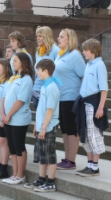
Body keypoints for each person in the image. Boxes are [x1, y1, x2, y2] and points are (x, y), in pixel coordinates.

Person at [24, 59, 61, 192]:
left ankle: (50, 182)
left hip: (49, 126)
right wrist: (36, 125)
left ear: (46, 71)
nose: (37, 73)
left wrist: (44, 127)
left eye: (38, 70)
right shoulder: (45, 86)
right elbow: (41, 109)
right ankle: (41, 178)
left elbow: (50, 110)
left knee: (49, 154)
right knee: (41, 154)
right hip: (42, 126)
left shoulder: (51, 87)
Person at [73, 38, 108, 177]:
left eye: (85, 50)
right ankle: (89, 164)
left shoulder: (100, 65)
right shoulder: (89, 65)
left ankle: (94, 167)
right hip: (84, 102)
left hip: (93, 103)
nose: (83, 52)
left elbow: (104, 89)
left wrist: (100, 108)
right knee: (86, 134)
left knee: (94, 134)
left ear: (93, 50)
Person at [53, 28, 86, 170]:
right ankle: (66, 157)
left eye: (61, 37)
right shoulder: (60, 55)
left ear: (69, 39)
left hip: (71, 97)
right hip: (60, 97)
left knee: (71, 129)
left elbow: (84, 75)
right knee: (65, 129)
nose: (58, 39)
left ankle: (71, 160)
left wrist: (83, 96)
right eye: (59, 36)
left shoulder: (75, 56)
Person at [1, 52, 33, 184]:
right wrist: (3, 114)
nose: (12, 63)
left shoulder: (26, 79)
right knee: (12, 146)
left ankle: (21, 175)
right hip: (8, 118)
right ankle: (14, 174)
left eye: (15, 60)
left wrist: (8, 115)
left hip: (18, 118)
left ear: (23, 62)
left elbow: (20, 100)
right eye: (12, 60)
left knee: (19, 146)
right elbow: (4, 97)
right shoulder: (13, 77)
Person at [32, 26, 59, 163]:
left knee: (45, 120)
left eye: (40, 36)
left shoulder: (54, 50)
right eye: (37, 36)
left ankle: (44, 155)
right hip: (38, 89)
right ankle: (38, 154)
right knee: (38, 117)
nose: (38, 38)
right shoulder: (39, 51)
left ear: (47, 36)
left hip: (48, 88)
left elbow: (55, 70)